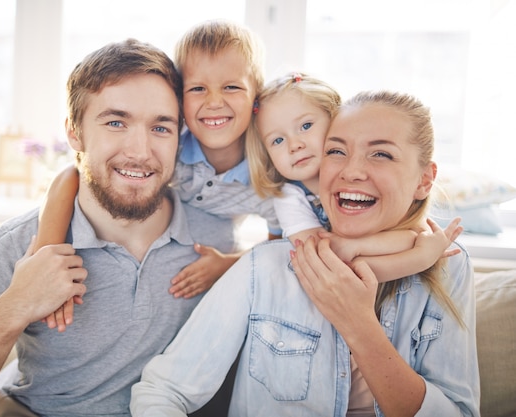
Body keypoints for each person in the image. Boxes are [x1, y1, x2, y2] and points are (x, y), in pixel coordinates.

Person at [0, 38, 236, 417]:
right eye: (115, 122)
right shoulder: (20, 246)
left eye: (161, 128)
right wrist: (16, 306)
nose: (140, 151)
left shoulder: (216, 238)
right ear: (74, 133)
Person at [130, 90, 480, 416]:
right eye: (336, 151)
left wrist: (359, 325)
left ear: (424, 180)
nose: (352, 171)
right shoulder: (265, 268)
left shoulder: (447, 264)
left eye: (381, 154)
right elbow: (162, 392)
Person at [38, 19, 278, 332]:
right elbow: (75, 172)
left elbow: (280, 247)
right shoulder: (173, 147)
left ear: (257, 97)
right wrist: (46, 252)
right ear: (181, 100)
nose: (215, 102)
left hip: (216, 242)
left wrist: (228, 264)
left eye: (231, 87)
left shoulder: (271, 173)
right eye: (197, 89)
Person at [246, 72, 463, 280]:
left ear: (335, 123)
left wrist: (357, 247)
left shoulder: (376, 194)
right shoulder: (289, 198)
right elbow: (328, 263)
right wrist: (420, 257)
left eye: (306, 126)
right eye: (277, 140)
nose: (294, 145)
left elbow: (417, 235)